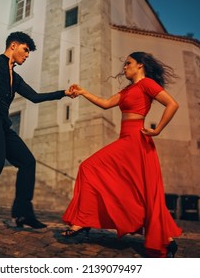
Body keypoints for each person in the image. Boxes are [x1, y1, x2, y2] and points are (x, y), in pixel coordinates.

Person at [0, 32, 75, 240]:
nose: (27, 55)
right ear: (14, 45)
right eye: (26, 50)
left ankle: (22, 213)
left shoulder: (15, 78)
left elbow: (35, 97)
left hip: (2, 123)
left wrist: (64, 92)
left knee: (27, 161)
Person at [61, 52, 182, 257]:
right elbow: (106, 103)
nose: (124, 67)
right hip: (125, 140)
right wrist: (83, 92)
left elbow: (172, 104)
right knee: (134, 189)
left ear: (140, 65)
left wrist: (159, 129)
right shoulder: (128, 89)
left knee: (89, 167)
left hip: (136, 140)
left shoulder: (147, 85)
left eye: (128, 63)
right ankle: (166, 239)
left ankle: (82, 221)